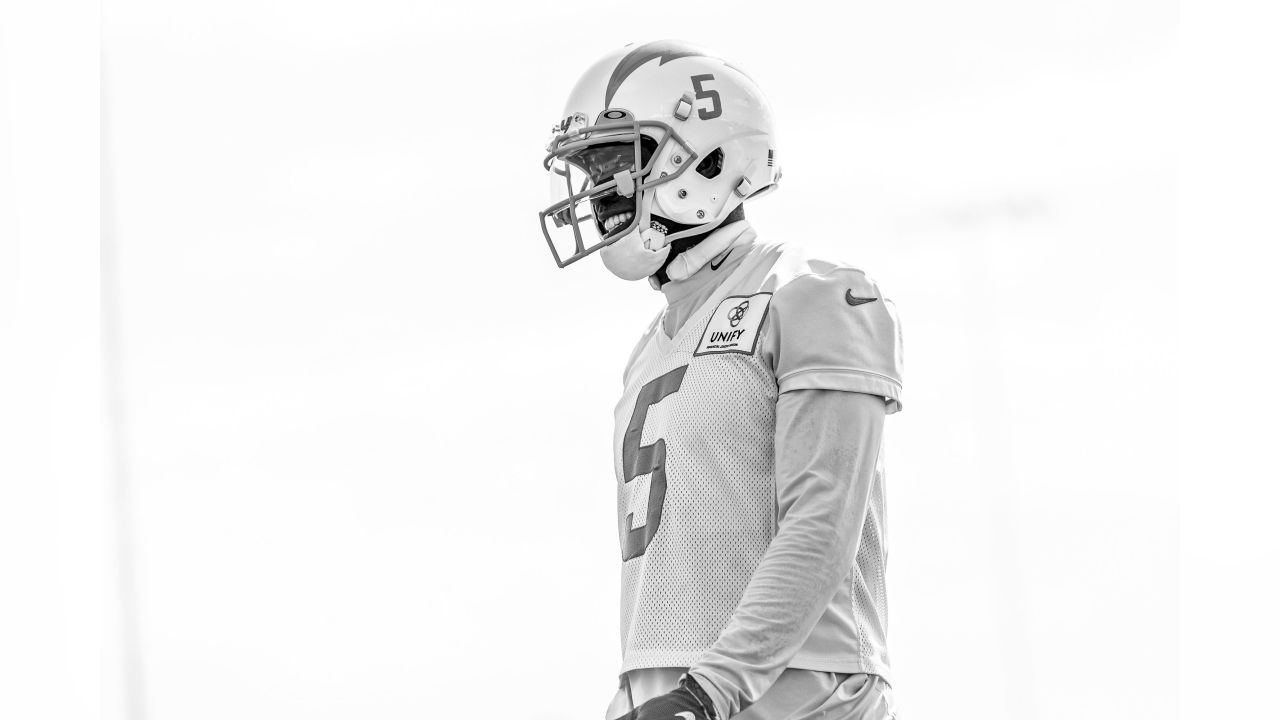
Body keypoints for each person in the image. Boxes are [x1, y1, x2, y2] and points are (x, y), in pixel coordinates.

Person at [538, 39, 904, 720]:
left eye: (616, 163)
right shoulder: (650, 346)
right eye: (590, 168)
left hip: (793, 699)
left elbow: (822, 525)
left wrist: (707, 692)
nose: (596, 192)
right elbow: (663, 588)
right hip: (675, 701)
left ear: (706, 159)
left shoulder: (815, 295)